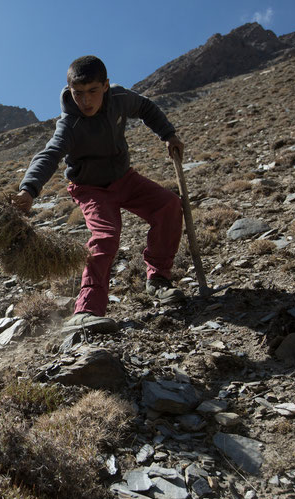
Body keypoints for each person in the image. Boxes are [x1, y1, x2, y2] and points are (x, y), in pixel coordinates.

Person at [12, 55, 185, 332]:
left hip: (125, 179)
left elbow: (146, 108)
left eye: (93, 91)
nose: (86, 100)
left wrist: (169, 135)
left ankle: (159, 280)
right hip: (90, 188)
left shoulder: (119, 98)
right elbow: (50, 154)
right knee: (105, 237)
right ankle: (87, 310)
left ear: (105, 85)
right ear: (70, 92)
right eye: (78, 93)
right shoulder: (69, 124)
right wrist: (28, 190)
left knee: (169, 206)